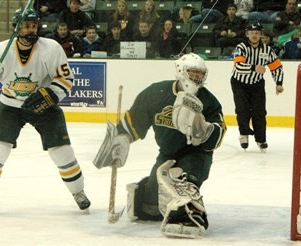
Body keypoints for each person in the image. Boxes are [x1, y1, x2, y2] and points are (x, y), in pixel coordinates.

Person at [0, 8, 91, 214]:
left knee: (62, 152)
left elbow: (65, 79)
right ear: (16, 28)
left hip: (44, 107)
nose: (30, 30)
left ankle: (78, 191)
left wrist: (51, 95)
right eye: (25, 26)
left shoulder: (51, 48)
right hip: (10, 106)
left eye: (33, 26)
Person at [94, 53, 226, 238]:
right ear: (181, 71)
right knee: (150, 208)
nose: (196, 77)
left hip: (196, 154)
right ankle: (143, 190)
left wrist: (204, 130)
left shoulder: (209, 101)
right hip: (167, 154)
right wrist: (120, 140)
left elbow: (219, 135)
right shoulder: (156, 93)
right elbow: (133, 124)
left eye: (200, 74)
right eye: (192, 72)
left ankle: (190, 212)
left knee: (183, 185)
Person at [231, 22, 284, 152]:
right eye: (251, 32)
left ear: (261, 34)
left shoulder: (267, 50)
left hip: (257, 84)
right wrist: (254, 67)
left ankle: (261, 139)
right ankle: (244, 134)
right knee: (242, 110)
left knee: (259, 112)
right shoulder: (241, 47)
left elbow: (276, 67)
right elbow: (238, 66)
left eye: (257, 32)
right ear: (247, 34)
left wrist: (278, 83)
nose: (254, 35)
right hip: (239, 83)